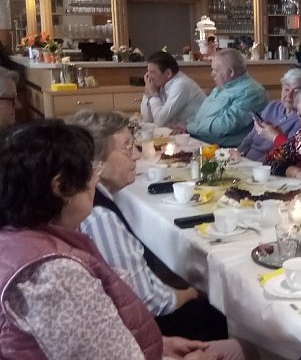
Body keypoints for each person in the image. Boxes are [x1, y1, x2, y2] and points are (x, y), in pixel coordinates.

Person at [0, 120, 244, 359]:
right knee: (245, 348)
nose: (95, 179)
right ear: (61, 187)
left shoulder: (15, 239)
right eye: (89, 170)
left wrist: (158, 344)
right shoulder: (55, 275)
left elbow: (94, 341)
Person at [66, 110, 228, 342]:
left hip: (127, 316)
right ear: (96, 163)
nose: (136, 154)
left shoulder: (92, 203)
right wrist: (191, 292)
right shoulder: (100, 216)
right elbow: (149, 301)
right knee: (223, 314)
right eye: (126, 147)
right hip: (144, 331)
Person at [178, 49, 267, 147]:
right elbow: (202, 115)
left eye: (215, 70)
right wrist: (185, 125)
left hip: (225, 152)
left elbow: (223, 126)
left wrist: (189, 127)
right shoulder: (221, 87)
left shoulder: (251, 92)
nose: (212, 74)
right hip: (199, 142)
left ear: (230, 72)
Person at [238, 68, 301, 162]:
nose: (289, 95)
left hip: (265, 166)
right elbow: (251, 136)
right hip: (246, 160)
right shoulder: (273, 106)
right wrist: (238, 153)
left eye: (296, 91)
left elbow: (288, 152)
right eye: (286, 89)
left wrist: (253, 165)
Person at [140, 51, 206, 127]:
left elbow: (159, 121)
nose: (148, 77)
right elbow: (147, 119)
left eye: (152, 72)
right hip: (178, 133)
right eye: (148, 72)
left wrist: (154, 95)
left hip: (195, 135)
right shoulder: (162, 84)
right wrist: (148, 93)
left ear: (168, 73)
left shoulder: (181, 85)